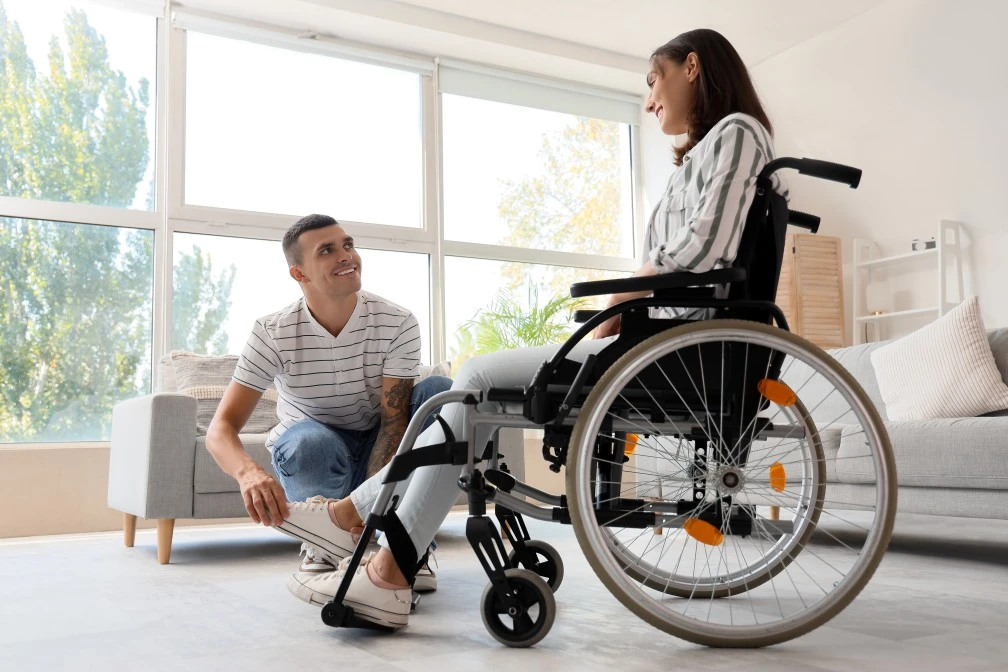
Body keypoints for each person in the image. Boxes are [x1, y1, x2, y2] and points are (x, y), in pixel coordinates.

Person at [269, 28, 789, 630]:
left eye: (654, 80)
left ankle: (379, 559)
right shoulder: (704, 156)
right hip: (658, 339)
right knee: (467, 394)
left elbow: (706, 253)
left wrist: (628, 290)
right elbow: (686, 258)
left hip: (675, 349)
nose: (650, 102)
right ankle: (360, 529)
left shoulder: (738, 135)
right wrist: (633, 295)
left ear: (692, 67)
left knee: (471, 383)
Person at [205, 213, 452, 601]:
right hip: (318, 450)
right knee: (308, 440)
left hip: (381, 451)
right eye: (327, 251)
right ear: (299, 274)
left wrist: (373, 508)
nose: (346, 256)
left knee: (441, 393)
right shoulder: (273, 331)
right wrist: (249, 473)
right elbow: (221, 429)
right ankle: (323, 549)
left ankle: (401, 543)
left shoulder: (398, 321)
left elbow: (394, 422)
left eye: (348, 245)